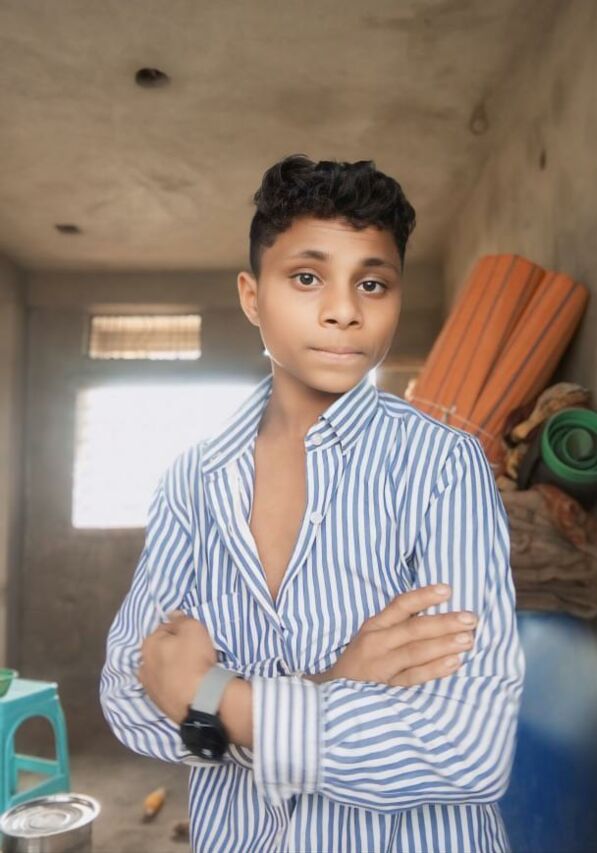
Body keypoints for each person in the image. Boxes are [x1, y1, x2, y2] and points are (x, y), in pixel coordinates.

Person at [100, 154, 524, 852]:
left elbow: (466, 747)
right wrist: (331, 684)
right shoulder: (193, 480)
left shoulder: (441, 466)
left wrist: (219, 701)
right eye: (306, 277)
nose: (344, 310)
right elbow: (128, 693)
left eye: (372, 283)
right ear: (251, 296)